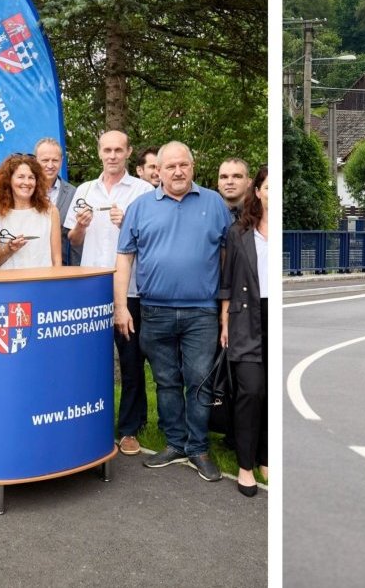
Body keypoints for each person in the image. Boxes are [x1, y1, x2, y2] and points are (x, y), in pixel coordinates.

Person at [115, 141, 231, 482]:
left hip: (201, 313)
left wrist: (225, 309)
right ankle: (175, 443)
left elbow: (227, 260)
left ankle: (198, 447)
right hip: (154, 311)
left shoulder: (214, 203)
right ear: (158, 171)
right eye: (170, 167)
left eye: (183, 165)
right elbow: (124, 259)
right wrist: (121, 306)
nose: (177, 171)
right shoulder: (139, 207)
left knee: (199, 381)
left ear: (192, 167)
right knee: (166, 381)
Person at [65, 130, 152, 456]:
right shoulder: (86, 190)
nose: (112, 155)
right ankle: (92, 421)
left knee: (130, 362)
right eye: (107, 150)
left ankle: (129, 429)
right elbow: (73, 240)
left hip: (129, 290)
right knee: (91, 361)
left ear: (128, 152)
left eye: (118, 149)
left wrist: (129, 222)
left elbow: (152, 241)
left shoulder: (144, 191)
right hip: (91, 287)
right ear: (99, 152)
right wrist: (82, 226)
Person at [220, 166, 268, 497]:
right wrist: (224, 322)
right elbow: (227, 281)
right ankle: (245, 465)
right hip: (245, 318)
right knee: (250, 391)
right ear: (259, 190)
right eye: (268, 187)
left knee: (270, 392)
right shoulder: (239, 232)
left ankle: (265, 456)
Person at [0, 154, 62, 270]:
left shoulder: (51, 212)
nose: (27, 182)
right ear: (9, 180)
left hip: (43, 284)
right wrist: (8, 249)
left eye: (31, 177)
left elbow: (57, 260)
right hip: (9, 285)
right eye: (21, 177)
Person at [35, 137, 80, 265]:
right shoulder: (25, 191)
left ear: (62, 161)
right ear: (35, 161)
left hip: (63, 266)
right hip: (30, 265)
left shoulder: (74, 193)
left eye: (55, 160)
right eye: (45, 160)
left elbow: (75, 237)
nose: (50, 165)